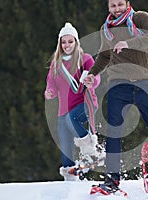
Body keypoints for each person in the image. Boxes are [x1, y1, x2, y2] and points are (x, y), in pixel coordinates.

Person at [85, 0, 148, 192]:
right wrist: (92, 74)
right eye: (113, 6)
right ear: (108, 7)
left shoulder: (140, 18)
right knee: (113, 132)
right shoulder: (106, 29)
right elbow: (105, 55)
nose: (117, 9)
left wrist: (129, 42)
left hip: (143, 83)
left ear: (127, 3)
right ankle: (112, 180)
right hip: (117, 85)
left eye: (120, 4)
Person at [44, 22, 101, 181]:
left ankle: (90, 149)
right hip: (63, 109)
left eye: (70, 41)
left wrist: (92, 81)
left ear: (76, 42)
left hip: (85, 104)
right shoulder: (57, 64)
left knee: (72, 119)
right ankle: (70, 181)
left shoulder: (85, 59)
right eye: (64, 42)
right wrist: (49, 93)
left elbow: (95, 76)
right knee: (65, 145)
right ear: (59, 44)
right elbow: (51, 84)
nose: (67, 45)